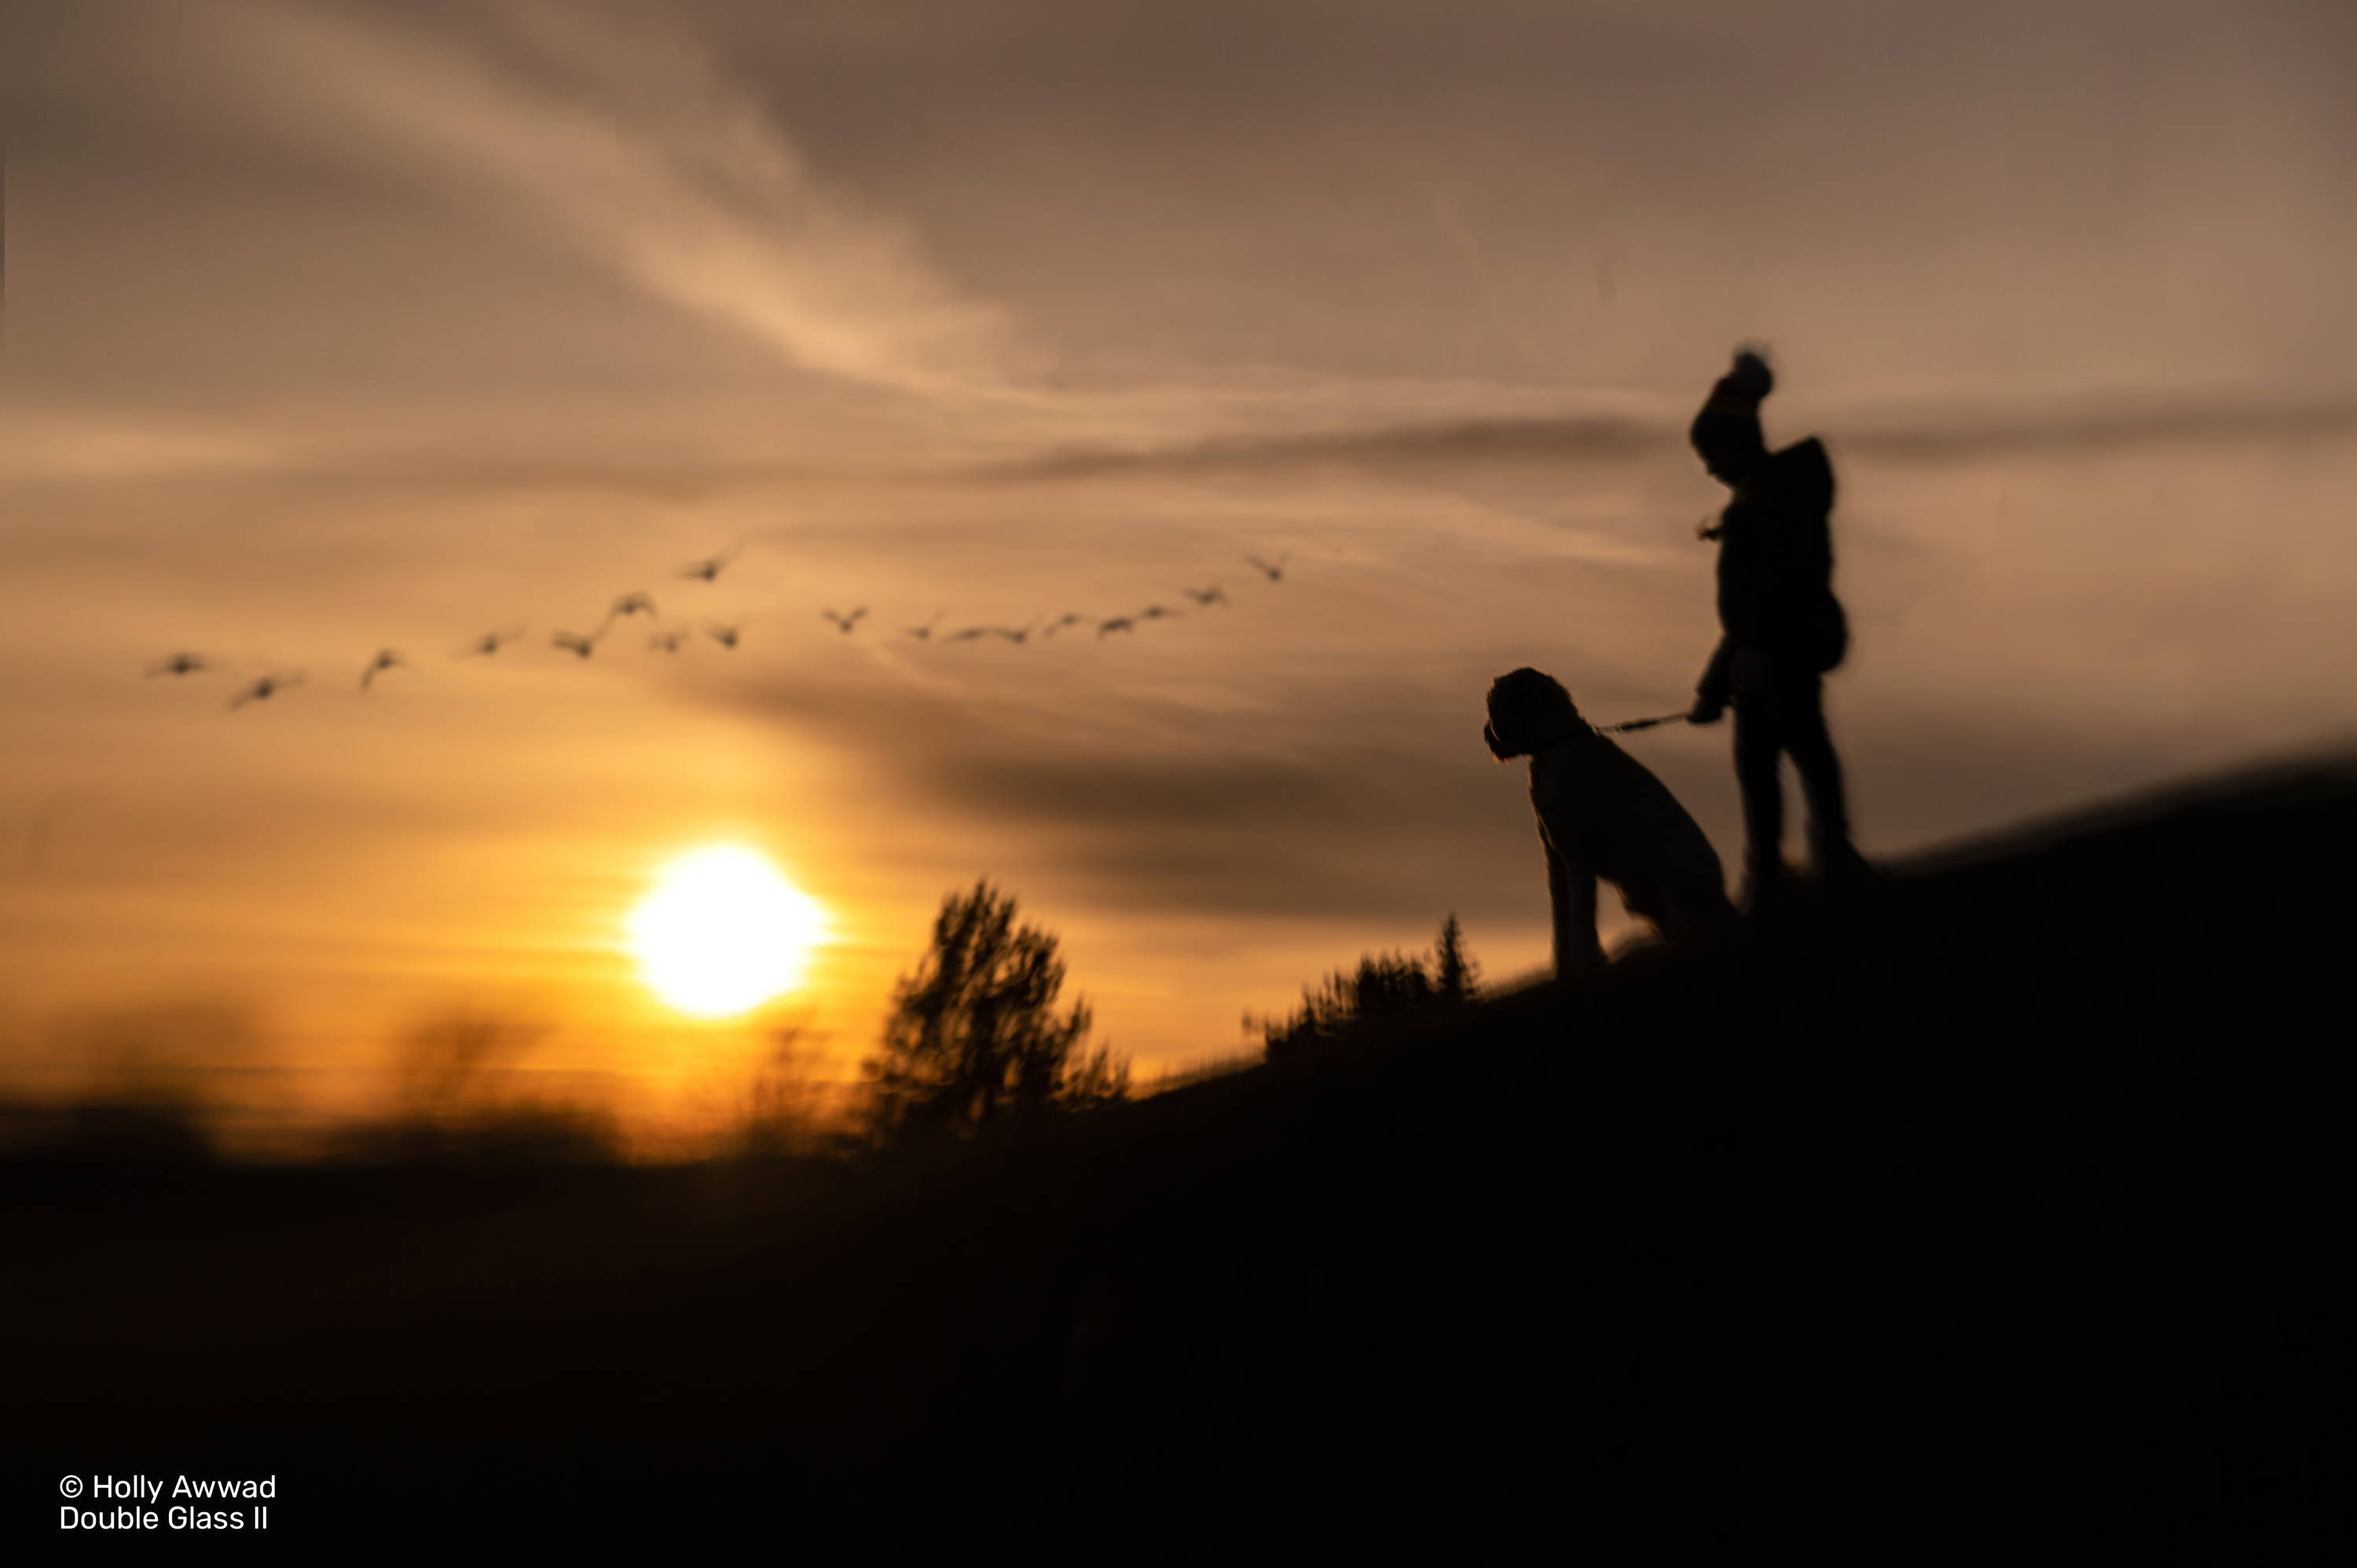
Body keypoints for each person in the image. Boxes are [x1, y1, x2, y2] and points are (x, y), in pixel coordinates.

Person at [1684, 346, 1868, 908]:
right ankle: (1771, 874)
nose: (1709, 467)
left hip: (1779, 653)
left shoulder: (1775, 507)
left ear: (1733, 445)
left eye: (1711, 453)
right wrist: (1716, 685)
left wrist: (1753, 656)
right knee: (1761, 765)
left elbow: (1779, 590)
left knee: (1800, 751)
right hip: (1757, 661)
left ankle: (1826, 860)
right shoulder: (1759, 504)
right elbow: (1742, 615)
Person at [1485, 668, 1736, 980]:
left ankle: (1581, 958)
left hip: (1686, 881)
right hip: (1679, 882)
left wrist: (1578, 961)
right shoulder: (1557, 761)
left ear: (1527, 713)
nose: (1492, 726)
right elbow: (1563, 868)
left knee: (1573, 871)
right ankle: (1573, 960)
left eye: (1497, 712)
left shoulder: (1565, 766)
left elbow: (1576, 869)